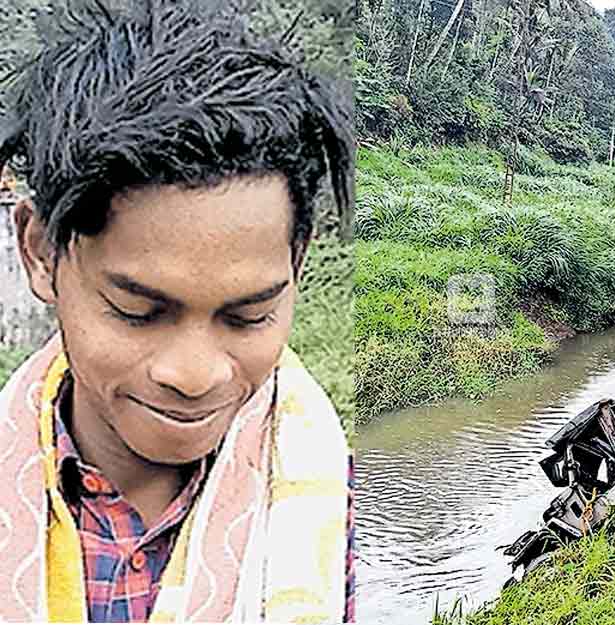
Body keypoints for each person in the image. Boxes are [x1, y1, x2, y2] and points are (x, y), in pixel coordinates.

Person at [0, 2, 354, 622]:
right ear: (39, 251)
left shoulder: (345, 509)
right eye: (136, 310)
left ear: (296, 263)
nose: (194, 376)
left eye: (247, 317)